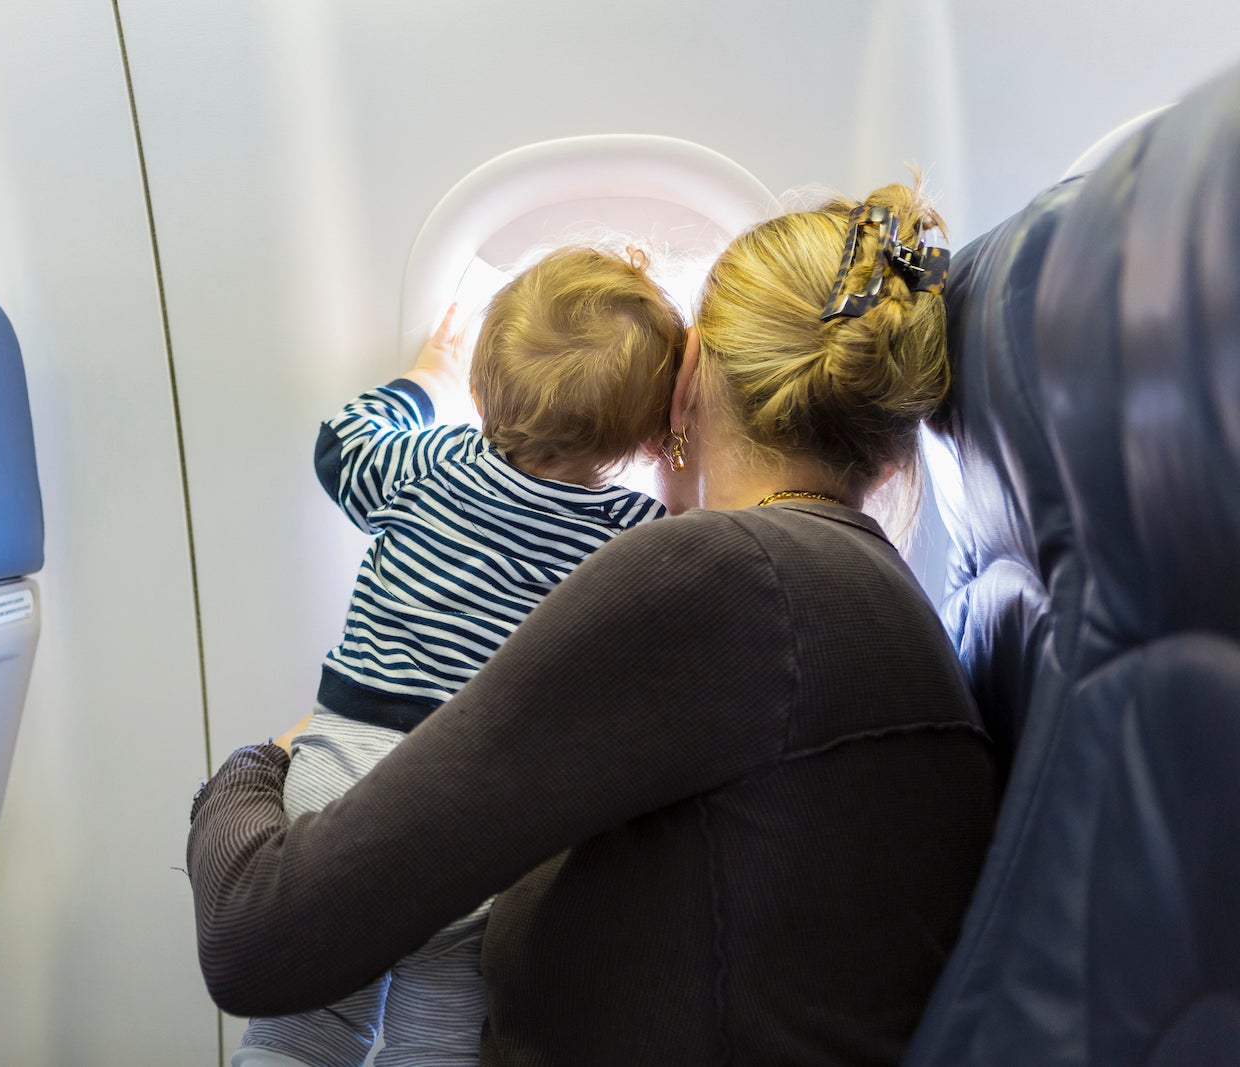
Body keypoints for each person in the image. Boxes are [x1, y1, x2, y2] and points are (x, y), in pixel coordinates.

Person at [189, 183, 998, 1066]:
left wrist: (267, 759)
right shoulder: (869, 599)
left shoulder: (716, 578)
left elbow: (255, 937)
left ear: (689, 377)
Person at [236, 246, 687, 1067]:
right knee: (438, 1036)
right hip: (469, 822)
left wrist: (428, 378)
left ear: (481, 390)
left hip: (333, 788)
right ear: (646, 434)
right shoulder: (630, 533)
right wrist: (669, 447)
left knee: (306, 1029)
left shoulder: (424, 463)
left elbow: (340, 443)